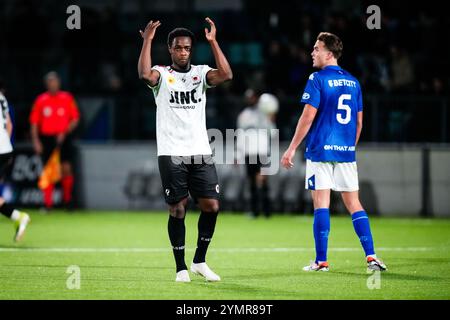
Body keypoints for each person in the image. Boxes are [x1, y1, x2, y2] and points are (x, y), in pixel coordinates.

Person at [281, 32, 387, 272]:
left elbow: (308, 116)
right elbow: (359, 123)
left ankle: (322, 261)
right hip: (346, 153)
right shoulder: (354, 82)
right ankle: (371, 257)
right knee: (354, 204)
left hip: (320, 151)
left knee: (321, 204)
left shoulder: (317, 78)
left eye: (317, 48)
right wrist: (348, 148)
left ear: (328, 54)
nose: (312, 52)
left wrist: (291, 148)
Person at [138, 18, 232, 282]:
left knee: (211, 206)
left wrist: (213, 42)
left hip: (200, 150)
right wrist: (147, 40)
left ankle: (199, 261)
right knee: (178, 209)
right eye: (178, 48)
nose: (183, 52)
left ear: (191, 50)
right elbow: (144, 74)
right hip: (171, 152)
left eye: (187, 48)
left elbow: (226, 74)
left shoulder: (200, 74)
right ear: (170, 49)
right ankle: (180, 267)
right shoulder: (162, 74)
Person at [29, 71, 80, 211]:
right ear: (46, 84)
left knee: (66, 169)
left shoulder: (67, 98)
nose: (53, 84)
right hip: (47, 139)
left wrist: (65, 132)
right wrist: (36, 142)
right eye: (50, 82)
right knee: (48, 171)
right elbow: (34, 123)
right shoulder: (40, 100)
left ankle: (68, 202)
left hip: (64, 138)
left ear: (59, 83)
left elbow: (75, 119)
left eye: (55, 81)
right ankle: (48, 205)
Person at [236, 89, 278, 218]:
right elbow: (240, 135)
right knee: (252, 182)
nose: (251, 100)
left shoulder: (265, 114)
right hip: (249, 152)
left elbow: (273, 133)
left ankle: (267, 211)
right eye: (248, 97)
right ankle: (255, 211)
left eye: (253, 97)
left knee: (263, 181)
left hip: (262, 151)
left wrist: (271, 120)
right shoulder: (243, 115)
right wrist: (237, 154)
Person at [0, 78, 30, 241]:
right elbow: (9, 125)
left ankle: (18, 216)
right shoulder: (1, 97)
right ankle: (18, 217)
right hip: (5, 149)